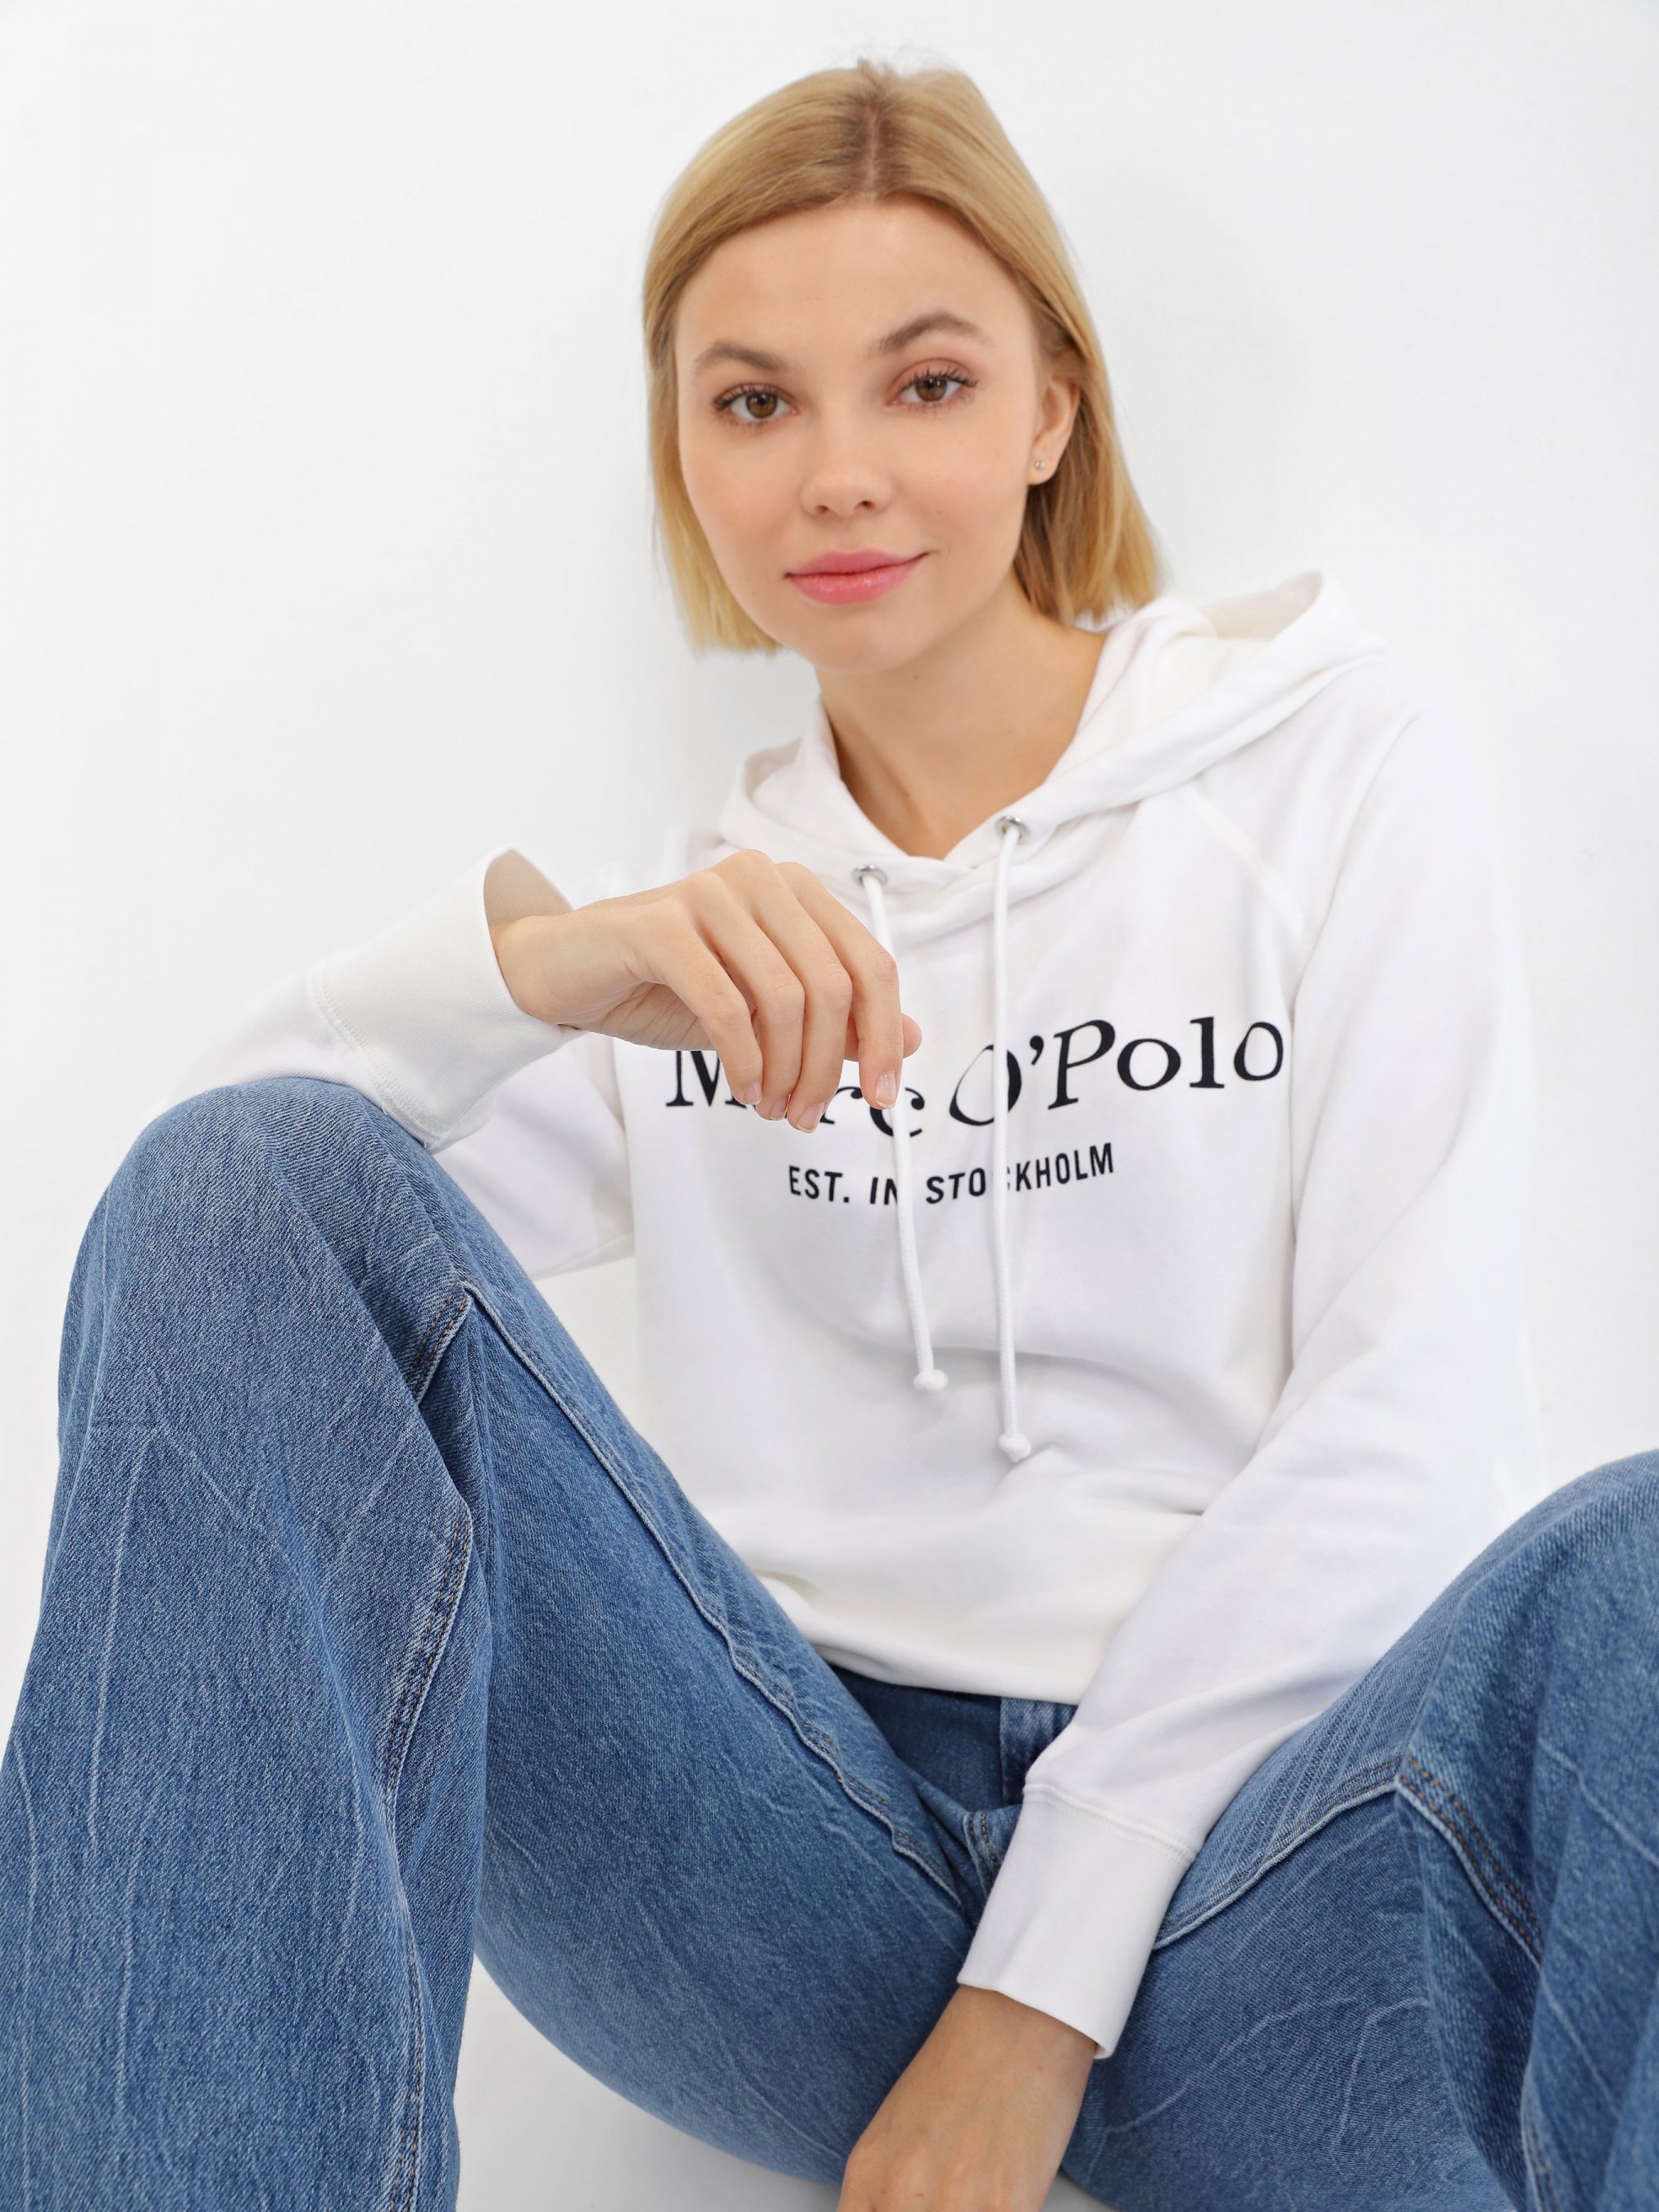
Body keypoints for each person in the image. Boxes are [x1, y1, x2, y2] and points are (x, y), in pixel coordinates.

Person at [2, 50, 1654, 2212]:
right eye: (754, 402)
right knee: (241, 1191)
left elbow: (1408, 1405)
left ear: (1054, 410)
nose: (838, 475)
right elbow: (204, 1271)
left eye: (927, 383)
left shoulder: (1331, 768)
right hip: (790, 1868)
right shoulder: (702, 943)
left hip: (1281, 1873)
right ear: (683, 453)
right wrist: (538, 966)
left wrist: (1035, 1994)